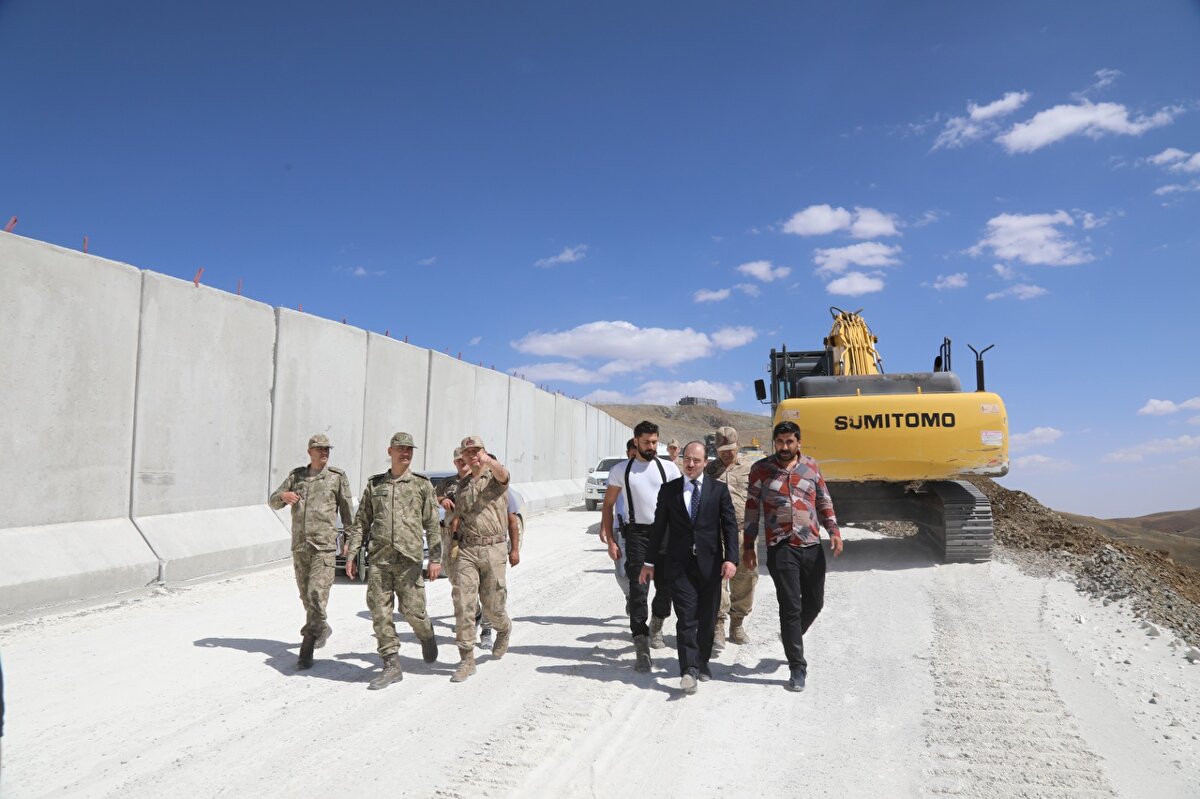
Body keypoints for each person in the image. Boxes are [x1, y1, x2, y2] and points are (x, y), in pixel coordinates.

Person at [743, 421, 844, 692]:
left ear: (799, 442)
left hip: (811, 543)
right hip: (781, 545)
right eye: (780, 442)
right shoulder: (761, 470)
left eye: (790, 442)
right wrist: (748, 544)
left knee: (815, 602)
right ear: (774, 442)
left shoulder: (811, 467)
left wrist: (833, 530)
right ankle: (797, 667)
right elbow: (752, 508)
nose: (784, 447)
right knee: (790, 607)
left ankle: (791, 636)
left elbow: (823, 500)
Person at [640, 442, 737, 694]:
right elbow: (659, 527)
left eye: (696, 460)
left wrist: (731, 559)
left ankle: (702, 661)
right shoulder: (669, 490)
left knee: (707, 618)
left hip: (711, 566)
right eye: (687, 459)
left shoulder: (719, 491)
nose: (691, 464)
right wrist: (649, 561)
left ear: (706, 462)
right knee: (686, 619)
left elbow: (729, 527)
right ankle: (688, 670)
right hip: (679, 565)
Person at [346, 432, 441, 690]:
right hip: (379, 559)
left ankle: (426, 634)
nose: (405, 453)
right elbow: (361, 522)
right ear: (390, 451)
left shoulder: (422, 485)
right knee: (380, 612)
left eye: (409, 449)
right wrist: (353, 552)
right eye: (400, 449)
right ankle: (391, 664)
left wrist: (435, 558)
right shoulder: (376, 485)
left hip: (409, 560)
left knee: (412, 612)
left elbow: (433, 524)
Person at [268, 433, 355, 670]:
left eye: (327, 449)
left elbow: (347, 511)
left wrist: (350, 540)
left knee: (317, 593)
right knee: (306, 595)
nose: (324, 452)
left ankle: (307, 645)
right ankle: (322, 627)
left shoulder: (336, 477)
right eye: (320, 449)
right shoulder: (296, 477)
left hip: (324, 548)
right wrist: (283, 496)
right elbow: (273, 501)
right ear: (310, 452)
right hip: (300, 546)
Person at [600, 421, 681, 672]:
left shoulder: (669, 468)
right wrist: (609, 536)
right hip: (637, 534)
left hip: (666, 532)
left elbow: (681, 504)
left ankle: (657, 624)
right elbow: (608, 504)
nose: (652, 446)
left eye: (655, 442)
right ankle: (641, 642)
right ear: (635, 441)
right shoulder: (621, 471)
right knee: (638, 588)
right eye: (646, 442)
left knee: (666, 586)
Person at [446, 435, 516, 682]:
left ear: (484, 452)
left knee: (493, 606)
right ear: (462, 457)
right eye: (468, 452)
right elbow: (454, 513)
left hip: (494, 550)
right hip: (467, 551)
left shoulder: (494, 479)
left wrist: (489, 461)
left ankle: (504, 628)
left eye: (477, 451)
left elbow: (505, 476)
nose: (472, 455)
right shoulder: (462, 486)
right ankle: (466, 659)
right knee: (463, 602)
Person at [706, 426, 759, 651]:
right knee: (716, 578)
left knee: (746, 577)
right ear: (716, 448)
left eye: (730, 448)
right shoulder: (708, 470)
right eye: (722, 449)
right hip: (715, 533)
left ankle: (737, 624)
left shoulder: (750, 469)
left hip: (742, 531)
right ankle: (718, 623)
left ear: (737, 445)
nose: (726, 453)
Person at [610, 438, 637, 598]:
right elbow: (608, 503)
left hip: (643, 528)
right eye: (633, 453)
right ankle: (629, 595)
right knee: (621, 572)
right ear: (628, 453)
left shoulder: (647, 471)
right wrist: (604, 529)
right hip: (620, 528)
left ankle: (638, 602)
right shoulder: (617, 471)